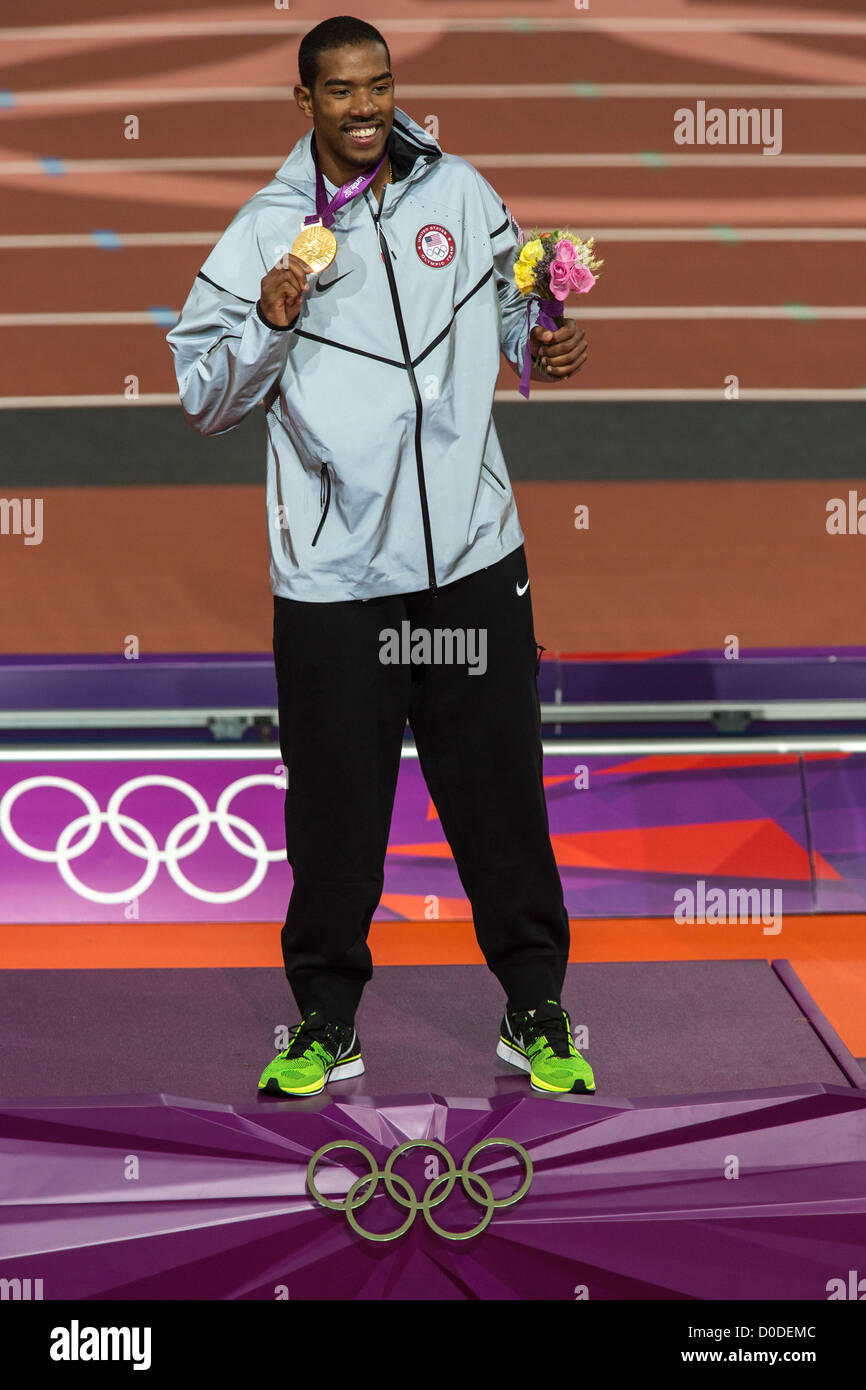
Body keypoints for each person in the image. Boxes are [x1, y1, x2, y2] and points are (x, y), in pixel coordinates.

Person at [167, 15, 595, 1099]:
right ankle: (323, 1021)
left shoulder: (458, 192)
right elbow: (203, 396)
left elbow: (507, 302)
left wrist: (535, 337)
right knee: (334, 813)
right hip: (336, 585)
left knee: (500, 800)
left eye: (379, 85)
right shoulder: (262, 230)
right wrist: (266, 322)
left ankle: (535, 1008)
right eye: (341, 90)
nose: (365, 108)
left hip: (470, 559)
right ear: (302, 102)